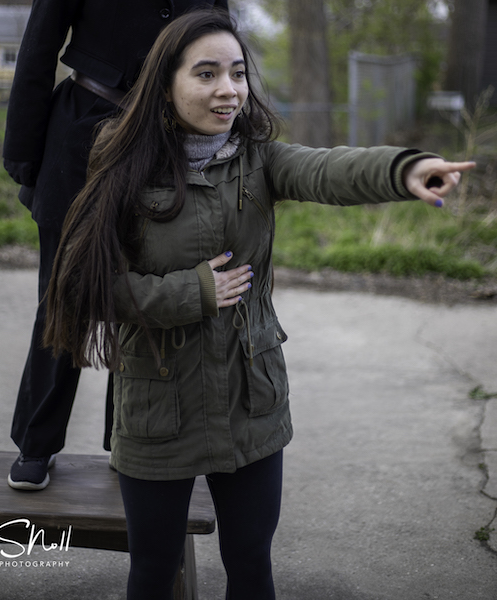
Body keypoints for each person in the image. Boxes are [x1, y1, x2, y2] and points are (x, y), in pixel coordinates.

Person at [43, 9, 475, 598]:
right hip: (156, 409)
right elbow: (79, 288)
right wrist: (193, 292)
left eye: (238, 73)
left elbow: (327, 170)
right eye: (207, 74)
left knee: (251, 565)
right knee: (151, 569)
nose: (229, 89)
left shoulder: (259, 159)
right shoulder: (120, 165)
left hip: (252, 398)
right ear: (165, 84)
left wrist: (404, 169)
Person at [3, 0, 229, 490]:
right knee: (62, 297)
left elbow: (219, 46)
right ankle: (36, 443)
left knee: (145, 295)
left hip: (165, 141)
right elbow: (38, 48)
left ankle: (128, 440)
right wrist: (23, 151)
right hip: (80, 134)